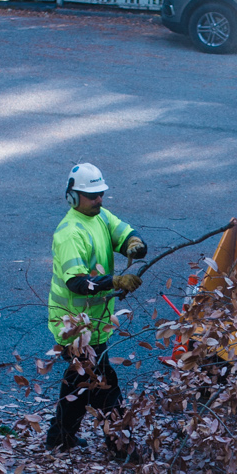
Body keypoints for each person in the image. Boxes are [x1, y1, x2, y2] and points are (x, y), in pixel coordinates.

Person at [45, 162, 148, 450]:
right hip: (74, 327)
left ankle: (58, 440)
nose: (99, 199)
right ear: (73, 197)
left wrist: (134, 244)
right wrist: (115, 281)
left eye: (101, 194)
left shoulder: (100, 216)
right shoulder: (69, 234)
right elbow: (77, 283)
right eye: (92, 196)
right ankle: (120, 446)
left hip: (94, 323)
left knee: (79, 387)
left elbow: (123, 232)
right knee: (105, 389)